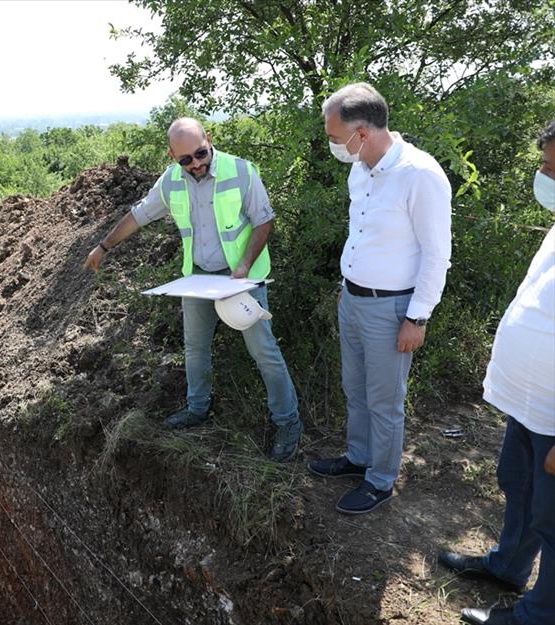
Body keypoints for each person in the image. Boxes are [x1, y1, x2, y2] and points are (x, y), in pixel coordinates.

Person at [83, 118, 302, 462]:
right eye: (186, 159)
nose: (196, 164)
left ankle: (288, 423)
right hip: (198, 278)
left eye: (201, 154)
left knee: (264, 351)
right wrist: (103, 246)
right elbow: (138, 216)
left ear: (209, 139)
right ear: (172, 156)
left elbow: (264, 220)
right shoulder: (171, 182)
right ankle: (198, 409)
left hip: (241, 280)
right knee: (195, 348)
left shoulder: (240, 171)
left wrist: (243, 267)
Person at [307, 83, 452, 514]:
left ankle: (380, 481)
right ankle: (359, 457)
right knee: (355, 389)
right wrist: (346, 286)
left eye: (335, 137)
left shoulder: (420, 174)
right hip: (353, 301)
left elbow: (436, 254)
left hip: (392, 309)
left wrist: (417, 318)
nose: (333, 145)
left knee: (385, 400)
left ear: (362, 133)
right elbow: (362, 234)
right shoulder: (361, 169)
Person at [437, 121, 555, 625]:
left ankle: (539, 615)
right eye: (544, 163)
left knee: (553, 516)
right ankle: (508, 566)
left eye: (552, 168)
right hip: (530, 399)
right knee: (518, 482)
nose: (543, 176)